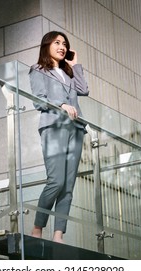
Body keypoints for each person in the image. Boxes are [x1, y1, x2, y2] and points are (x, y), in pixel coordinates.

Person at [29, 31, 89, 243]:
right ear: (47, 45)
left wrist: (76, 64)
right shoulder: (38, 70)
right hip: (53, 126)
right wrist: (61, 105)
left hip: (76, 128)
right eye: (57, 43)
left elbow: (84, 89)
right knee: (56, 181)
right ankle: (38, 227)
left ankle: (58, 234)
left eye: (64, 44)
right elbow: (38, 100)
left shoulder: (69, 73)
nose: (62, 47)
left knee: (68, 185)